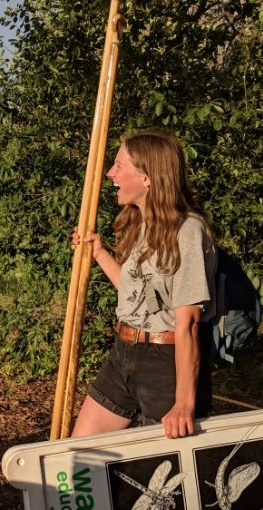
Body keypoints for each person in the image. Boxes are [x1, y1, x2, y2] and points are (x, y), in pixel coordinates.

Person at [71, 130, 216, 440]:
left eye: (119, 165)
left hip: (164, 363)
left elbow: (188, 322)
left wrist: (183, 403)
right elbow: (136, 293)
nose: (110, 173)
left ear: (147, 177)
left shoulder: (188, 231)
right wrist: (99, 253)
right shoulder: (142, 223)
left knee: (157, 477)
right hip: (124, 352)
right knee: (79, 453)